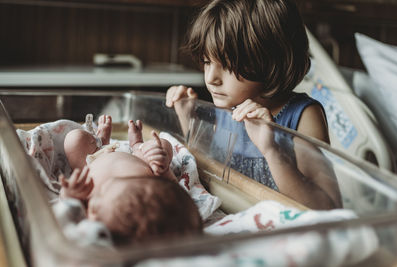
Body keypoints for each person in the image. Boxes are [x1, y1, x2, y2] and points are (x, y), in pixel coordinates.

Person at [166, 0, 342, 209]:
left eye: (228, 65)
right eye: (207, 62)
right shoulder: (226, 106)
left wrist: (272, 150)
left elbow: (327, 206)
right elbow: (207, 171)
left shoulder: (303, 116)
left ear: (270, 60)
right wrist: (188, 119)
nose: (211, 78)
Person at [60, 115, 203, 244]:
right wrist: (163, 169)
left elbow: (66, 217)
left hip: (92, 159)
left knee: (74, 139)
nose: (92, 205)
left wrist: (70, 196)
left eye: (94, 206)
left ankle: (102, 143)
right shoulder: (151, 194)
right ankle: (137, 145)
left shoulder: (92, 221)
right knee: (162, 145)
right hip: (139, 159)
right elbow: (173, 188)